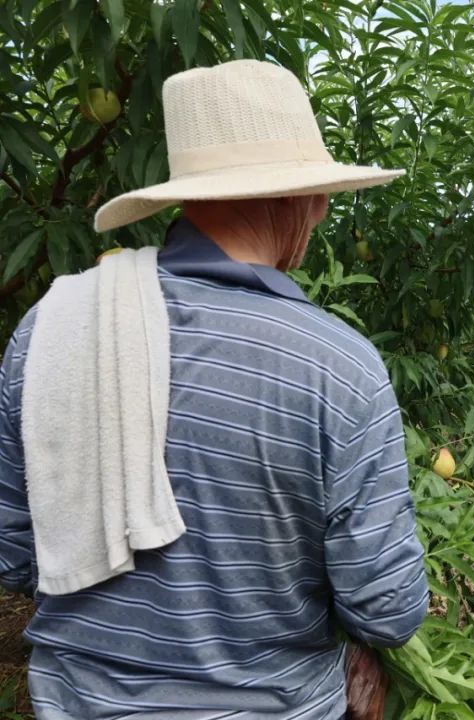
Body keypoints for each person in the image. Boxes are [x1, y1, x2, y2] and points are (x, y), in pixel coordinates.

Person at [0, 60, 428, 719]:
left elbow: (14, 551)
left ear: (184, 198)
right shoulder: (340, 367)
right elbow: (386, 606)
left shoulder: (51, 328)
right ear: (308, 201)